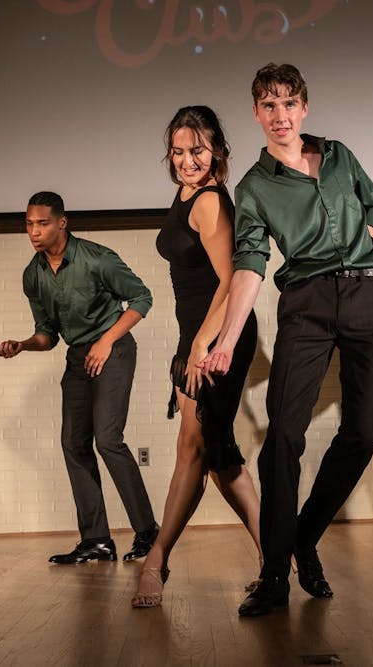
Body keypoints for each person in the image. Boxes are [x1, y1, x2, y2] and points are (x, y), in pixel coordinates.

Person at [200, 63, 373, 617]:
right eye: (269, 105)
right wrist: (225, 340)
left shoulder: (339, 156)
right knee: (284, 434)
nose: (280, 115)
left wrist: (363, 238)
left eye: (289, 103)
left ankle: (304, 538)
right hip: (306, 305)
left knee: (367, 432)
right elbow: (249, 266)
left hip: (368, 296)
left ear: (304, 107)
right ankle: (273, 576)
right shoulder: (255, 187)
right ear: (256, 113)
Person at [130, 106, 263, 609]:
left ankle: (157, 560)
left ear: (218, 151)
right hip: (198, 335)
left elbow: (233, 281)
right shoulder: (186, 192)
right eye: (179, 151)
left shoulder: (209, 201)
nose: (187, 161)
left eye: (198, 151)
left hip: (220, 334)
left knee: (199, 448)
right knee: (208, 451)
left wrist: (203, 343)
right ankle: (276, 556)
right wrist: (194, 341)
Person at [0, 192, 159, 563]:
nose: (34, 232)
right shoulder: (33, 275)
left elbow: (142, 299)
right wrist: (22, 345)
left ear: (62, 223)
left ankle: (148, 533)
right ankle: (97, 540)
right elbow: (48, 335)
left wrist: (106, 341)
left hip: (113, 350)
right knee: (73, 443)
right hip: (77, 358)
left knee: (108, 440)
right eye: (29, 224)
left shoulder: (97, 258)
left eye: (42, 223)